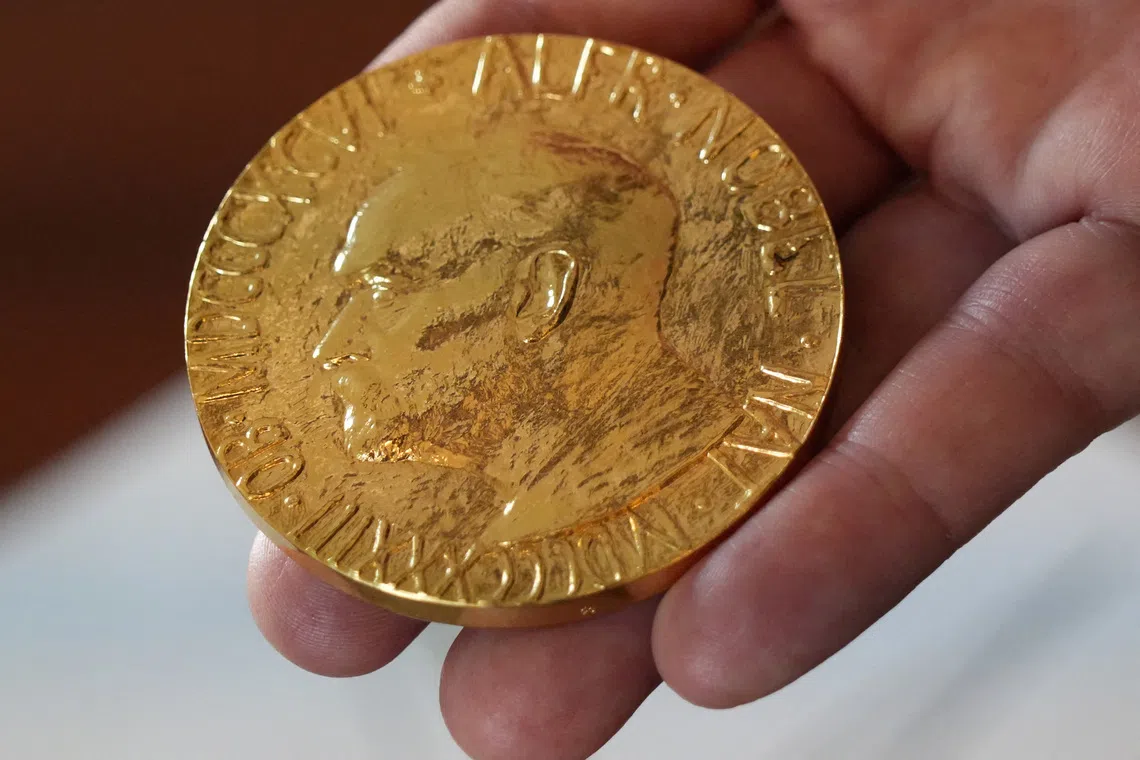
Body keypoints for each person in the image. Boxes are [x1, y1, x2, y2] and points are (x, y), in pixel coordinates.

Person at [247, 2, 1140, 758]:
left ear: (540, 291)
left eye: (375, 294)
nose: (331, 344)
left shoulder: (656, 456)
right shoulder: (542, 504)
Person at [311, 127, 743, 545]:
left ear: (541, 294)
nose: (330, 349)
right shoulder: (552, 501)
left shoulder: (646, 475)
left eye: (385, 291)